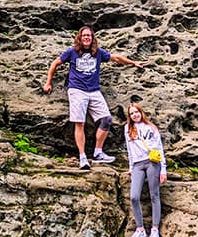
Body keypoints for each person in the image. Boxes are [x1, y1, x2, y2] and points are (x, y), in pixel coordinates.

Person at [43, 25, 143, 170]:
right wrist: (48, 82)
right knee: (80, 123)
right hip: (77, 90)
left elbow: (115, 58)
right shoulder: (72, 52)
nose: (87, 38)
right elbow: (55, 63)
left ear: (92, 38)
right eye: (84, 36)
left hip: (94, 91)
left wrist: (133, 63)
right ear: (79, 38)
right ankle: (82, 157)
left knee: (107, 119)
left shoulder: (98, 52)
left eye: (89, 36)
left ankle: (98, 152)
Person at [124, 102, 167, 237]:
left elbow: (159, 148)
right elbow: (129, 150)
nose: (135, 115)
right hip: (137, 164)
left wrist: (163, 170)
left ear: (141, 112)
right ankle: (140, 230)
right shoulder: (128, 129)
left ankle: (154, 230)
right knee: (134, 196)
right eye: (131, 113)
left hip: (152, 162)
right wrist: (130, 167)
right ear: (129, 116)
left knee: (154, 195)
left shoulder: (151, 127)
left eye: (137, 112)